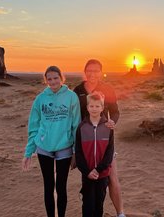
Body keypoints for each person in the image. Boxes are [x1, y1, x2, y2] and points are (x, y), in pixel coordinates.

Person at [22, 65, 81, 217]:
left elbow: (76, 126)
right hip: (44, 147)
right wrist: (28, 152)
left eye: (56, 78)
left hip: (64, 147)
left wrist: (75, 151)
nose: (53, 81)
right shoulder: (40, 99)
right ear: (46, 81)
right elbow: (33, 127)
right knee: (48, 186)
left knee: (61, 187)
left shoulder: (71, 97)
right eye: (49, 79)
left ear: (62, 78)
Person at [74, 59, 126, 217]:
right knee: (88, 175)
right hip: (85, 141)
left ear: (101, 72)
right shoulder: (78, 90)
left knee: (112, 177)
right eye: (89, 70)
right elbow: (73, 116)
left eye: (96, 71)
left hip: (104, 139)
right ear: (85, 71)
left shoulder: (107, 89)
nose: (92, 74)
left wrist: (112, 122)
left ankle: (120, 213)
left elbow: (115, 112)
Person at [75, 92, 114, 217]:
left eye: (97, 106)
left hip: (102, 174)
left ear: (102, 108)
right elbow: (79, 152)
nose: (94, 109)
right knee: (87, 204)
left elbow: (110, 152)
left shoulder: (108, 127)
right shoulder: (81, 127)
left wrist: (98, 170)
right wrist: (88, 171)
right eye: (91, 106)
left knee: (99, 203)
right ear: (87, 107)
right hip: (87, 174)